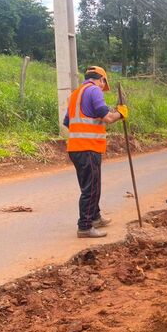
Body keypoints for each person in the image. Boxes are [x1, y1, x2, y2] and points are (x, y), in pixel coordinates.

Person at [65, 66, 128, 238]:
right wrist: (120, 114)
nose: (103, 88)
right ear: (101, 79)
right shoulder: (94, 90)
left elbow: (67, 122)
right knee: (91, 188)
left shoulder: (75, 94)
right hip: (88, 147)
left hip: (76, 148)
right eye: (103, 84)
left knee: (90, 185)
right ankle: (84, 226)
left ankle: (95, 217)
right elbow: (106, 117)